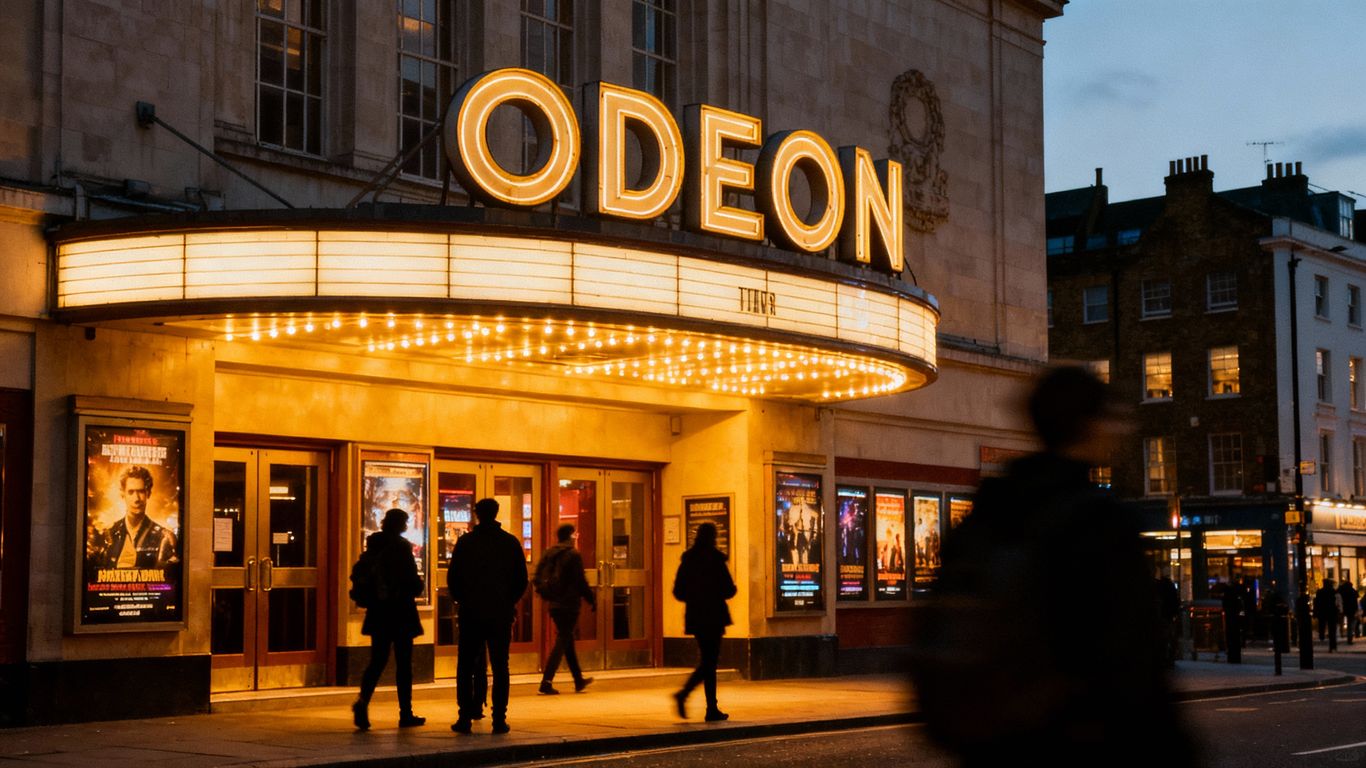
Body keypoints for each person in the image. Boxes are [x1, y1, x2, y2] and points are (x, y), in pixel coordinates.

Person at [907, 366, 1194, 766]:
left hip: (992, 746)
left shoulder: (987, 514)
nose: (1122, 428)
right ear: (1091, 425)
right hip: (1075, 743)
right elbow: (1133, 665)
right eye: (1112, 415)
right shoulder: (1099, 522)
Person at [447, 498, 528, 734]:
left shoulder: (466, 543)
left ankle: (464, 716)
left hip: (471, 612)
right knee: (501, 666)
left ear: (477, 515)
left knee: (466, 666)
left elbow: (454, 578)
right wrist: (508, 601)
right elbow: (521, 580)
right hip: (499, 613)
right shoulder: (510, 543)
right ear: (496, 513)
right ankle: (499, 718)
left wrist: (462, 600)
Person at [353, 508, 426, 730]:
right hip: (401, 612)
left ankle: (363, 701)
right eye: (405, 522)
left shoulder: (373, 546)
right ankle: (406, 712)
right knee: (404, 664)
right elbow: (413, 583)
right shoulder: (402, 547)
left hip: (379, 612)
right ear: (400, 524)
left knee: (377, 660)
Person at [671, 522, 737, 722]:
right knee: (710, 661)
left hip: (696, 615)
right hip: (714, 615)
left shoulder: (688, 559)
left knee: (708, 661)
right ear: (713, 537)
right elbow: (729, 590)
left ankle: (707, 706)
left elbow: (678, 591)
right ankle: (690, 697)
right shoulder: (716, 560)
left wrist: (694, 596)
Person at [533, 523, 596, 695]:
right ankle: (546, 681)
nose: (576, 538)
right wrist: (591, 599)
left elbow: (537, 576)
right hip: (570, 604)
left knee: (567, 639)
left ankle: (578, 680)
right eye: (575, 535)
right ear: (570, 536)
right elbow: (580, 581)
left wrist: (546, 594)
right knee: (563, 638)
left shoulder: (548, 553)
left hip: (554, 603)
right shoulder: (573, 555)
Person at [97, 465, 178, 568]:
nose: (136, 499)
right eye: (131, 492)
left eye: (141, 492)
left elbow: (168, 579)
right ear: (123, 495)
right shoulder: (109, 534)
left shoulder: (163, 538)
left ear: (148, 494)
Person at [1313, 578, 1338, 651]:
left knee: (1322, 625)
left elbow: (1317, 603)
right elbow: (1336, 603)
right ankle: (1333, 646)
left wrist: (1315, 613)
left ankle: (1322, 636)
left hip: (1323, 612)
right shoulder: (1333, 591)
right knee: (1332, 630)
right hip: (1332, 612)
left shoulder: (1320, 592)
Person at [1337, 578, 1359, 644]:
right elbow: (1355, 601)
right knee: (1350, 624)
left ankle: (1341, 633)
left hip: (1342, 608)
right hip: (1351, 609)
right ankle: (1349, 638)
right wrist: (1356, 609)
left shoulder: (1340, 590)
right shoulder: (1353, 591)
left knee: (1341, 622)